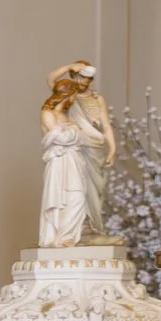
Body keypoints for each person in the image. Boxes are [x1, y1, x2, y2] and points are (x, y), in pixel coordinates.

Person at [37, 60, 116, 249]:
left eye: (88, 78)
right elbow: (50, 79)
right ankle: (80, 231)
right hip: (73, 151)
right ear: (74, 76)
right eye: (80, 76)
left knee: (92, 192)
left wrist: (112, 148)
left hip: (92, 148)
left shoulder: (96, 99)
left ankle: (92, 229)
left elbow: (106, 126)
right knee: (75, 193)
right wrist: (69, 66)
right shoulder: (67, 96)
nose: (84, 81)